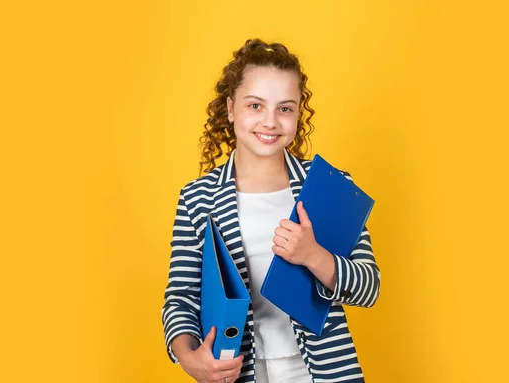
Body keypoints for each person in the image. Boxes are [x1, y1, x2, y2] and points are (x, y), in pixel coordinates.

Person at [161, 38, 381, 383]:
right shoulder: (197, 198)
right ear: (231, 108)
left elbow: (369, 287)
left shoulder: (328, 186)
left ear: (297, 114)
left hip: (322, 373)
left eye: (285, 108)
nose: (270, 122)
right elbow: (181, 298)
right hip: (238, 371)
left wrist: (314, 256)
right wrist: (189, 358)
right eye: (255, 105)